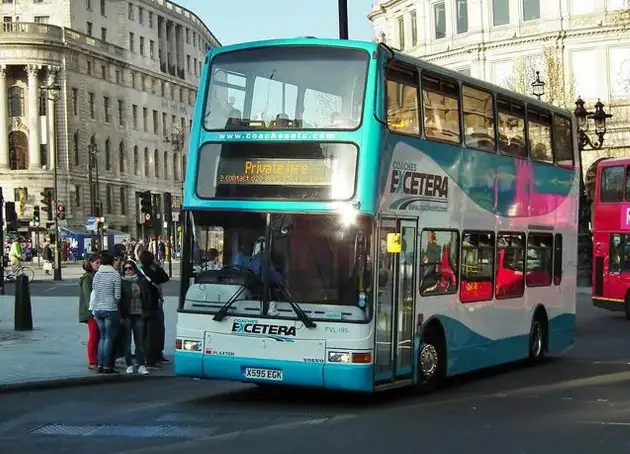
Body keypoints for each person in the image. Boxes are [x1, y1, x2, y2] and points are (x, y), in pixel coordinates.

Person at [90, 252, 122, 374]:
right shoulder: (115, 275)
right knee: (109, 338)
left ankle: (100, 365)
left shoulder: (97, 275)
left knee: (102, 337)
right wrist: (115, 302)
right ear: (112, 262)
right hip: (110, 308)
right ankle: (108, 366)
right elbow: (118, 296)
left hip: (98, 309)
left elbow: (94, 291)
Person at [137, 250, 169, 367]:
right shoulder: (154, 272)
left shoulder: (139, 272)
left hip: (141, 305)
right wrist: (157, 265)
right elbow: (165, 278)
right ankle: (153, 355)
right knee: (155, 331)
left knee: (144, 332)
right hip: (154, 305)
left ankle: (146, 356)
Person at [120, 260, 150, 375]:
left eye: (130, 268)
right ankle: (129, 365)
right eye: (125, 269)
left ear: (134, 269)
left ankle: (141, 364)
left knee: (140, 341)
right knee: (127, 341)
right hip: (126, 314)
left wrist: (146, 309)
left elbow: (146, 296)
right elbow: (119, 299)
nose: (127, 271)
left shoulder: (141, 281)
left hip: (139, 313)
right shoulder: (122, 282)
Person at [79, 253, 101, 371]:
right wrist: (93, 312)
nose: (98, 265)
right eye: (96, 263)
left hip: (97, 310)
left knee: (98, 336)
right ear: (90, 263)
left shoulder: (96, 276)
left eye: (100, 263)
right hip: (91, 312)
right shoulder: (87, 278)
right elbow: (88, 298)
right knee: (94, 336)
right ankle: (93, 361)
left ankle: (97, 359)